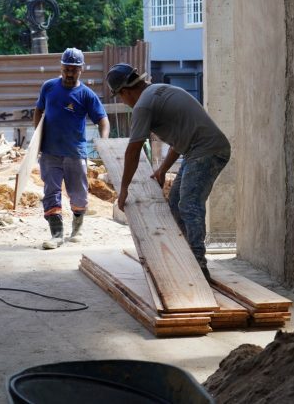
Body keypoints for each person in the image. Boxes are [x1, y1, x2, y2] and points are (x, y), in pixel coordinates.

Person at [105, 63, 230, 280]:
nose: (123, 102)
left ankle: (198, 265)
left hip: (206, 151)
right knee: (175, 202)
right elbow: (179, 139)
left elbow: (133, 150)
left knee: (189, 204)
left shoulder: (143, 105)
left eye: (120, 97)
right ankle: (187, 256)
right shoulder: (160, 91)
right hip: (199, 150)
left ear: (124, 92)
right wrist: (162, 169)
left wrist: (123, 189)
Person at [34, 48, 110, 249]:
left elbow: (103, 119)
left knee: (78, 193)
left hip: (75, 153)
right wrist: (37, 139)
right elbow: (39, 109)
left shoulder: (86, 95)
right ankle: (56, 235)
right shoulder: (49, 87)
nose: (69, 73)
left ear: (81, 70)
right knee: (51, 192)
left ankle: (77, 228)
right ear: (61, 67)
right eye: (66, 69)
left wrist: (104, 142)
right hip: (50, 152)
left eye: (73, 70)